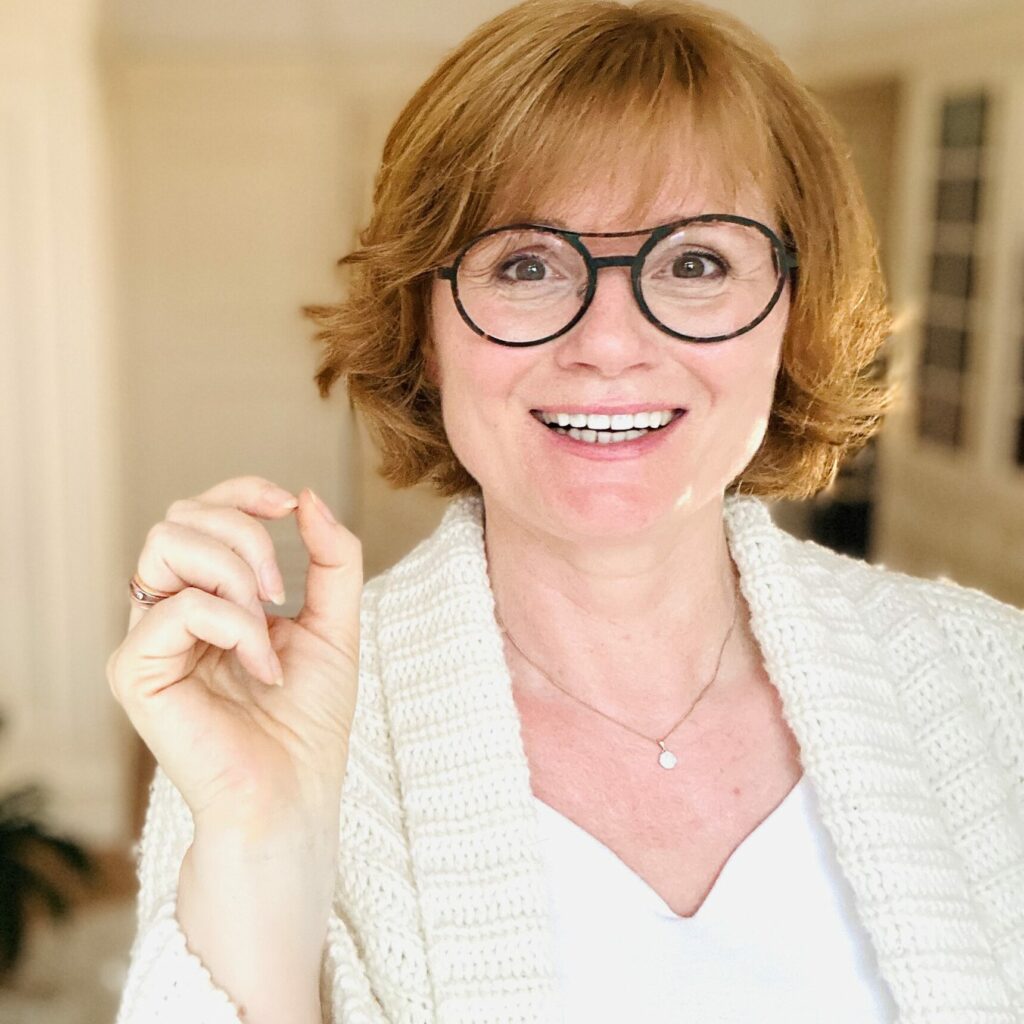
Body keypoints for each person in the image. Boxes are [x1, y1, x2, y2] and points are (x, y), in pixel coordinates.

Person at [108, 1, 1024, 1022]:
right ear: (425, 326)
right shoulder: (281, 730)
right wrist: (258, 835)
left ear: (792, 315)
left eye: (694, 262)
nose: (610, 343)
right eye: (528, 265)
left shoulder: (996, 684)